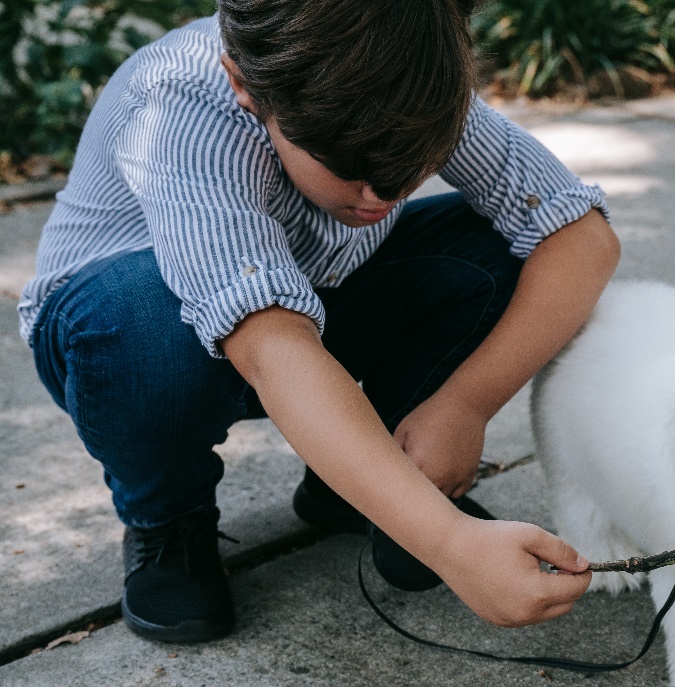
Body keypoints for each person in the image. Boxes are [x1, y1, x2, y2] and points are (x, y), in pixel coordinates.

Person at [18, 0, 614, 644]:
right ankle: (167, 521)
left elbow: (581, 236)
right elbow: (270, 344)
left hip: (311, 304)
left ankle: (372, 482)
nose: (385, 193)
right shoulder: (178, 103)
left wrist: (465, 404)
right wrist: (450, 543)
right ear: (245, 86)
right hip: (141, 347)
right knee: (138, 315)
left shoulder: (412, 71)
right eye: (352, 166)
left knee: (503, 248)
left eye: (413, 163)